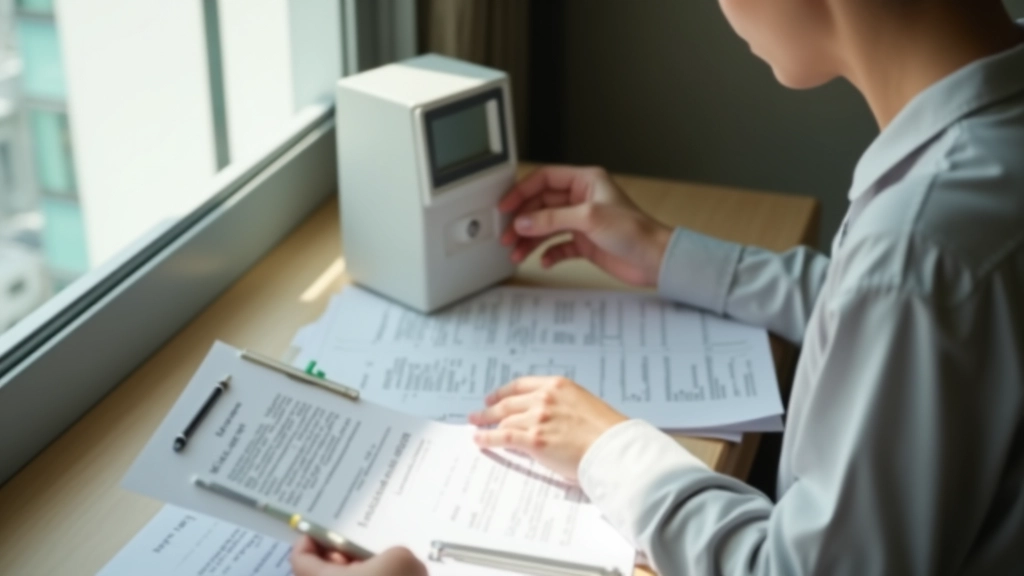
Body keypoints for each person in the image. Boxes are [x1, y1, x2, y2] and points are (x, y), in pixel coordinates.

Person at [293, 0, 1024, 574]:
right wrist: (662, 251)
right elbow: (882, 305)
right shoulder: (975, 173)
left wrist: (607, 448)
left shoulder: (919, 242)